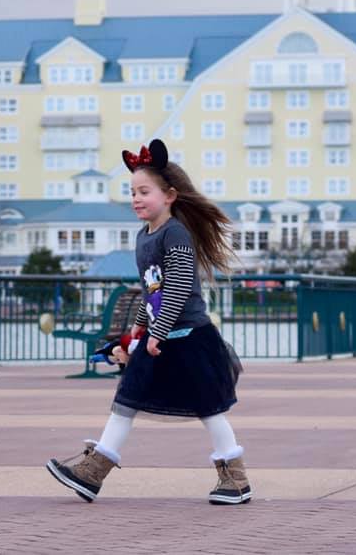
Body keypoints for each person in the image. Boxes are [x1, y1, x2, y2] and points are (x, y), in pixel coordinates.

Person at [46, 138, 250, 505]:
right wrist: (141, 325)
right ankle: (92, 473)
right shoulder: (144, 236)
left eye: (145, 191)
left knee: (210, 408)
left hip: (189, 338)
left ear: (170, 195)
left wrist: (157, 331)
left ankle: (235, 479)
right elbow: (151, 290)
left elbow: (178, 287)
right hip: (159, 337)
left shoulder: (176, 234)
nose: (137, 198)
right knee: (126, 399)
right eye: (132, 192)